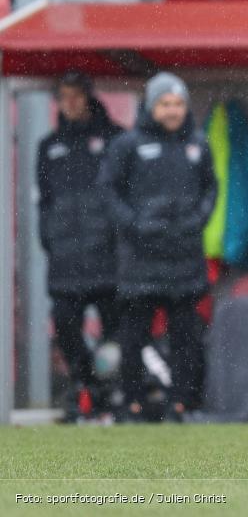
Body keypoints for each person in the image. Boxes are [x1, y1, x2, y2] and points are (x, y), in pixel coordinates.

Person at [100, 72, 217, 422]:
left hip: (184, 260)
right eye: (165, 103)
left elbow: (211, 189)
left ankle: (181, 403)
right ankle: (133, 402)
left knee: (186, 336)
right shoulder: (127, 146)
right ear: (152, 106)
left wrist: (197, 219)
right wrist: (134, 225)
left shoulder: (198, 144)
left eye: (178, 103)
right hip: (140, 262)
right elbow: (109, 192)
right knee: (133, 336)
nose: (172, 111)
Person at [37, 71, 122, 421]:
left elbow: (122, 194)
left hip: (107, 258)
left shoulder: (115, 139)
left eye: (76, 95)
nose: (70, 103)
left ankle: (111, 394)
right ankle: (84, 387)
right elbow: (44, 201)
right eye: (63, 96)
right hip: (65, 259)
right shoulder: (48, 146)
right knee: (66, 326)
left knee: (116, 333)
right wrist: (51, 237)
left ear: (88, 97)